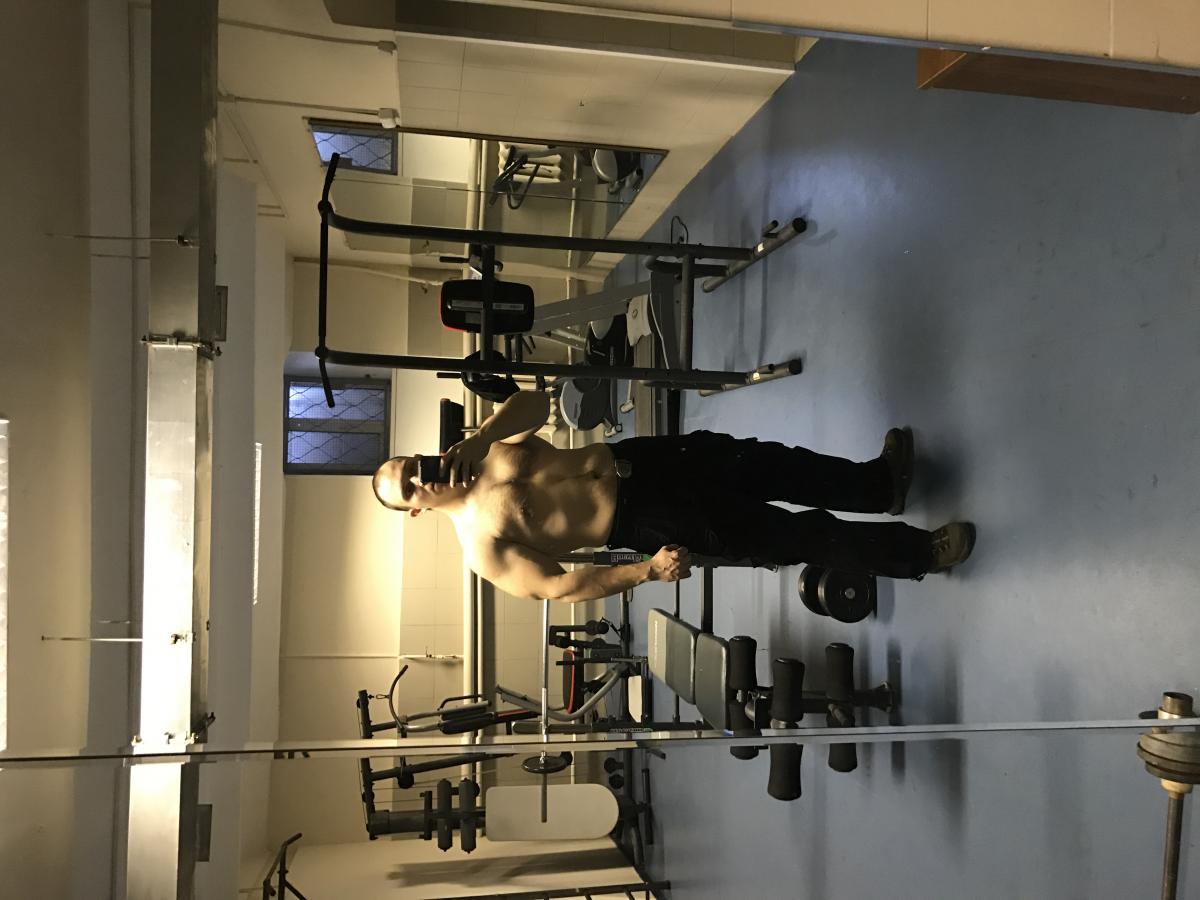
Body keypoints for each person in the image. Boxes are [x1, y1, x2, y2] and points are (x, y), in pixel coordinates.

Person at [372, 390, 974, 603]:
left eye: (412, 464)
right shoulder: (481, 545)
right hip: (645, 519)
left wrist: (483, 433)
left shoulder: (484, 448)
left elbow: (536, 403)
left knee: (774, 464)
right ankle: (920, 553)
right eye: (409, 486)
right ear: (416, 509)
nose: (420, 475)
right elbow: (558, 586)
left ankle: (878, 485)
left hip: (645, 458)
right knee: (792, 536)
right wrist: (645, 571)